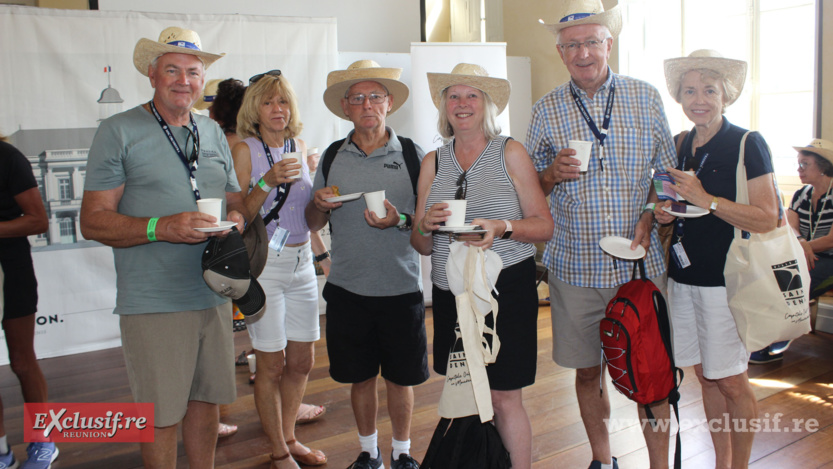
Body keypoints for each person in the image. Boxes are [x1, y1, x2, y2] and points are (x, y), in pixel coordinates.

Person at [80, 26, 245, 468]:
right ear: (152, 75)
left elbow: (233, 201)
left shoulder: (211, 133)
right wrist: (161, 227)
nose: (183, 80)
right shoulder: (118, 130)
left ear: (202, 78)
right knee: (159, 414)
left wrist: (237, 220)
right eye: (171, 69)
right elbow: (92, 220)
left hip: (213, 290)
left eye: (193, 72)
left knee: (207, 401)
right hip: (153, 300)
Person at [528, 2, 677, 468]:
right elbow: (529, 187)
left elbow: (668, 175)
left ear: (608, 45)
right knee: (588, 371)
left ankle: (656, 464)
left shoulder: (645, 96)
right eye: (572, 45)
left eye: (592, 41)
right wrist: (550, 173)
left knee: (650, 373)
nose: (583, 52)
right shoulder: (546, 109)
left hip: (640, 265)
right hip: (575, 267)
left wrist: (651, 214)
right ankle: (602, 458)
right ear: (560, 52)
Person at [412, 63, 553, 468]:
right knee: (466, 394)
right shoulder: (432, 162)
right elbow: (421, 244)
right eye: (453, 96)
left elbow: (543, 226)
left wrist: (501, 227)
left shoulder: (510, 151)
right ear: (444, 106)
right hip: (452, 293)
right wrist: (425, 224)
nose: (462, 103)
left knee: (504, 396)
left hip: (503, 290)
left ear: (486, 104)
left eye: (472, 95)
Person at [655, 49, 779, 468]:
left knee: (731, 380)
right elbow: (675, 207)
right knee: (705, 375)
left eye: (709, 89)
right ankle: (720, 463)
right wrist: (662, 211)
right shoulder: (680, 143)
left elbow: (767, 217)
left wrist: (706, 200)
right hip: (684, 277)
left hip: (726, 280)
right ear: (679, 97)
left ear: (725, 94)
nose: (699, 99)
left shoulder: (747, 142)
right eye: (690, 90)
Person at [306, 60, 427, 469]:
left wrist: (402, 221)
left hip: (400, 286)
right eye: (357, 97)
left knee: (400, 378)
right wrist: (317, 204)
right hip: (348, 288)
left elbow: (427, 223)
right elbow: (313, 222)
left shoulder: (413, 154)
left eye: (375, 95)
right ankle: (368, 451)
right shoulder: (332, 156)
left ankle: (403, 454)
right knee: (359, 377)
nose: (367, 104)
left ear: (389, 102)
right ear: (345, 107)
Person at [231, 69, 329, 468]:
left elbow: (305, 213)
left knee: (302, 361)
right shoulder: (245, 150)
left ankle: (290, 435)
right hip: (265, 265)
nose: (277, 109)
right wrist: (267, 181)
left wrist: (322, 201)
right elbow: (238, 214)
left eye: (283, 101)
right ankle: (278, 450)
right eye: (269, 102)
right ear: (255, 109)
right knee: (270, 365)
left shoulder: (300, 145)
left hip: (302, 261)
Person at [749, 139, 833, 364]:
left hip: (827, 258)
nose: (799, 170)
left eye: (804, 164)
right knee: (768, 276)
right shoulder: (801, 194)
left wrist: (804, 246)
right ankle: (766, 336)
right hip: (801, 251)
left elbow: (831, 240)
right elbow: (791, 227)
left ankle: (780, 337)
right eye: (798, 164)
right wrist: (801, 243)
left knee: (792, 284)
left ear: (823, 167)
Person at [0, 135, 56, 469]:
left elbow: (38, 220)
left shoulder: (8, 157)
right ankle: (2, 450)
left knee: (22, 361)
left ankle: (43, 443)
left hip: (11, 269)